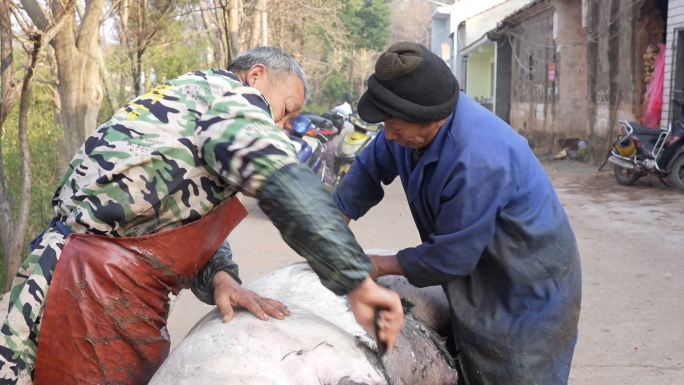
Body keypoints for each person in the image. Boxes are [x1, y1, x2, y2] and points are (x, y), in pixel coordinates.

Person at [0, 47, 404, 385]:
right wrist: (355, 281)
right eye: (284, 111)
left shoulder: (193, 103)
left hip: (96, 283)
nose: (280, 128)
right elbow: (285, 183)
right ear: (256, 76)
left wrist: (222, 277)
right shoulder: (232, 99)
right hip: (87, 287)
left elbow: (175, 211)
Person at [334, 42, 582, 385]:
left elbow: (450, 257)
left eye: (395, 125)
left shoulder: (479, 157)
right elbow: (368, 167)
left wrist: (377, 264)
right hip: (478, 267)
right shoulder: (409, 126)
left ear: (433, 120)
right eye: (386, 123)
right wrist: (333, 224)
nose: (389, 134)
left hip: (527, 289)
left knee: (514, 370)